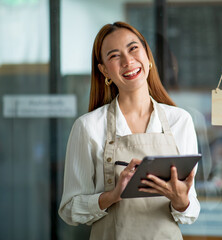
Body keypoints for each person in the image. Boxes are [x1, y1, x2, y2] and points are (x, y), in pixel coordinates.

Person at [58, 21, 200, 240]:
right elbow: (69, 210)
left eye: (133, 48)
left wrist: (181, 200)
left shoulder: (179, 121)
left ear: (148, 55)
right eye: (114, 56)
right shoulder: (88, 127)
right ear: (104, 70)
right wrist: (112, 196)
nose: (127, 61)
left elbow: (190, 212)